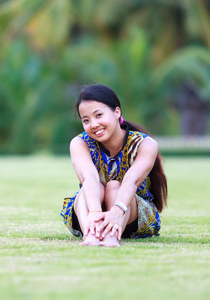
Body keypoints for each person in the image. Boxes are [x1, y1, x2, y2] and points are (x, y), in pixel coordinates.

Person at [60, 84, 168, 247]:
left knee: (114, 187)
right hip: (88, 214)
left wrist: (117, 211)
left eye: (99, 115)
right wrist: (95, 213)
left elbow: (131, 180)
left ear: (117, 112)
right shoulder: (80, 143)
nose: (94, 124)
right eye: (86, 120)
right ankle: (91, 235)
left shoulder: (145, 144)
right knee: (91, 189)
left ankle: (112, 236)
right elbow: (89, 177)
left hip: (131, 216)